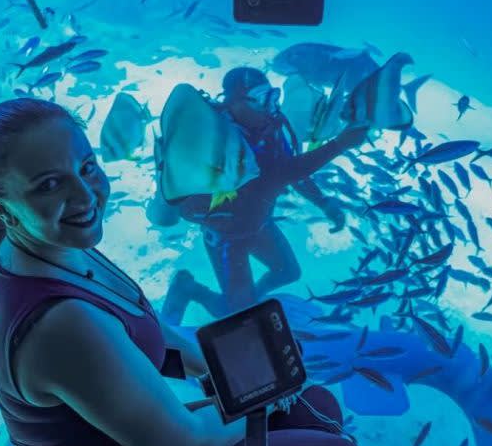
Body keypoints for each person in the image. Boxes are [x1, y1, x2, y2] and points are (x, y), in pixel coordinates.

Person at [0, 98, 363, 446]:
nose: (84, 197)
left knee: (316, 405)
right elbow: (188, 445)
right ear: (2, 210)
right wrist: (266, 394)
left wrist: (244, 376)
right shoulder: (60, 324)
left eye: (87, 168)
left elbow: (145, 327)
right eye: (49, 185)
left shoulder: (54, 248)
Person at [155, 67, 368, 325]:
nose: (271, 106)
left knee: (288, 272)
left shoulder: (272, 127)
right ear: (232, 102)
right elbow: (281, 173)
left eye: (273, 96)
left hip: (259, 223)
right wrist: (339, 144)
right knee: (237, 313)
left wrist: (323, 202)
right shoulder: (218, 141)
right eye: (260, 98)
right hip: (226, 237)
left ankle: (243, 303)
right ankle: (189, 290)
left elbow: (289, 168)